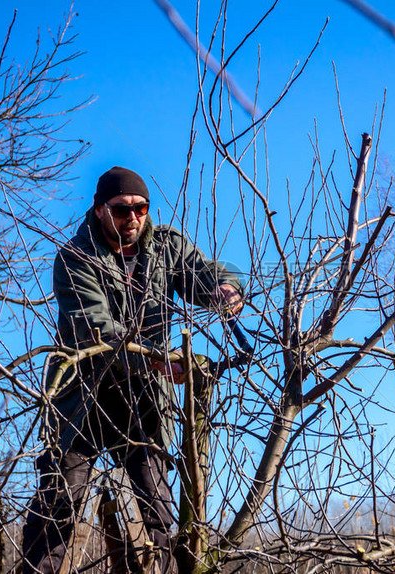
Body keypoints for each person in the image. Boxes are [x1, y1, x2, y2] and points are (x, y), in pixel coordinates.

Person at [20, 166, 243, 574]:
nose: (134, 218)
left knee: (157, 507)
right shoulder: (74, 258)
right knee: (60, 502)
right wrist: (157, 358)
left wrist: (224, 288)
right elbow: (95, 329)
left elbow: (203, 274)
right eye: (122, 210)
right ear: (99, 209)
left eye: (141, 208)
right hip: (81, 397)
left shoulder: (165, 246)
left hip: (143, 397)